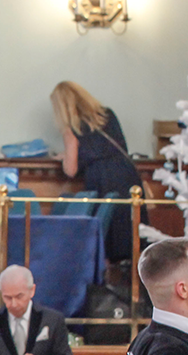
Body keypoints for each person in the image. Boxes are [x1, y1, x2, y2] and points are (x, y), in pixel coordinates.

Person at [51, 81, 142, 264]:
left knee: (107, 239)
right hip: (127, 176)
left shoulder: (71, 128)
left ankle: (105, 284)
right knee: (130, 236)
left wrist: (63, 158)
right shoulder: (107, 115)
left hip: (103, 181)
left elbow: (71, 170)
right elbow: (106, 147)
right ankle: (130, 285)